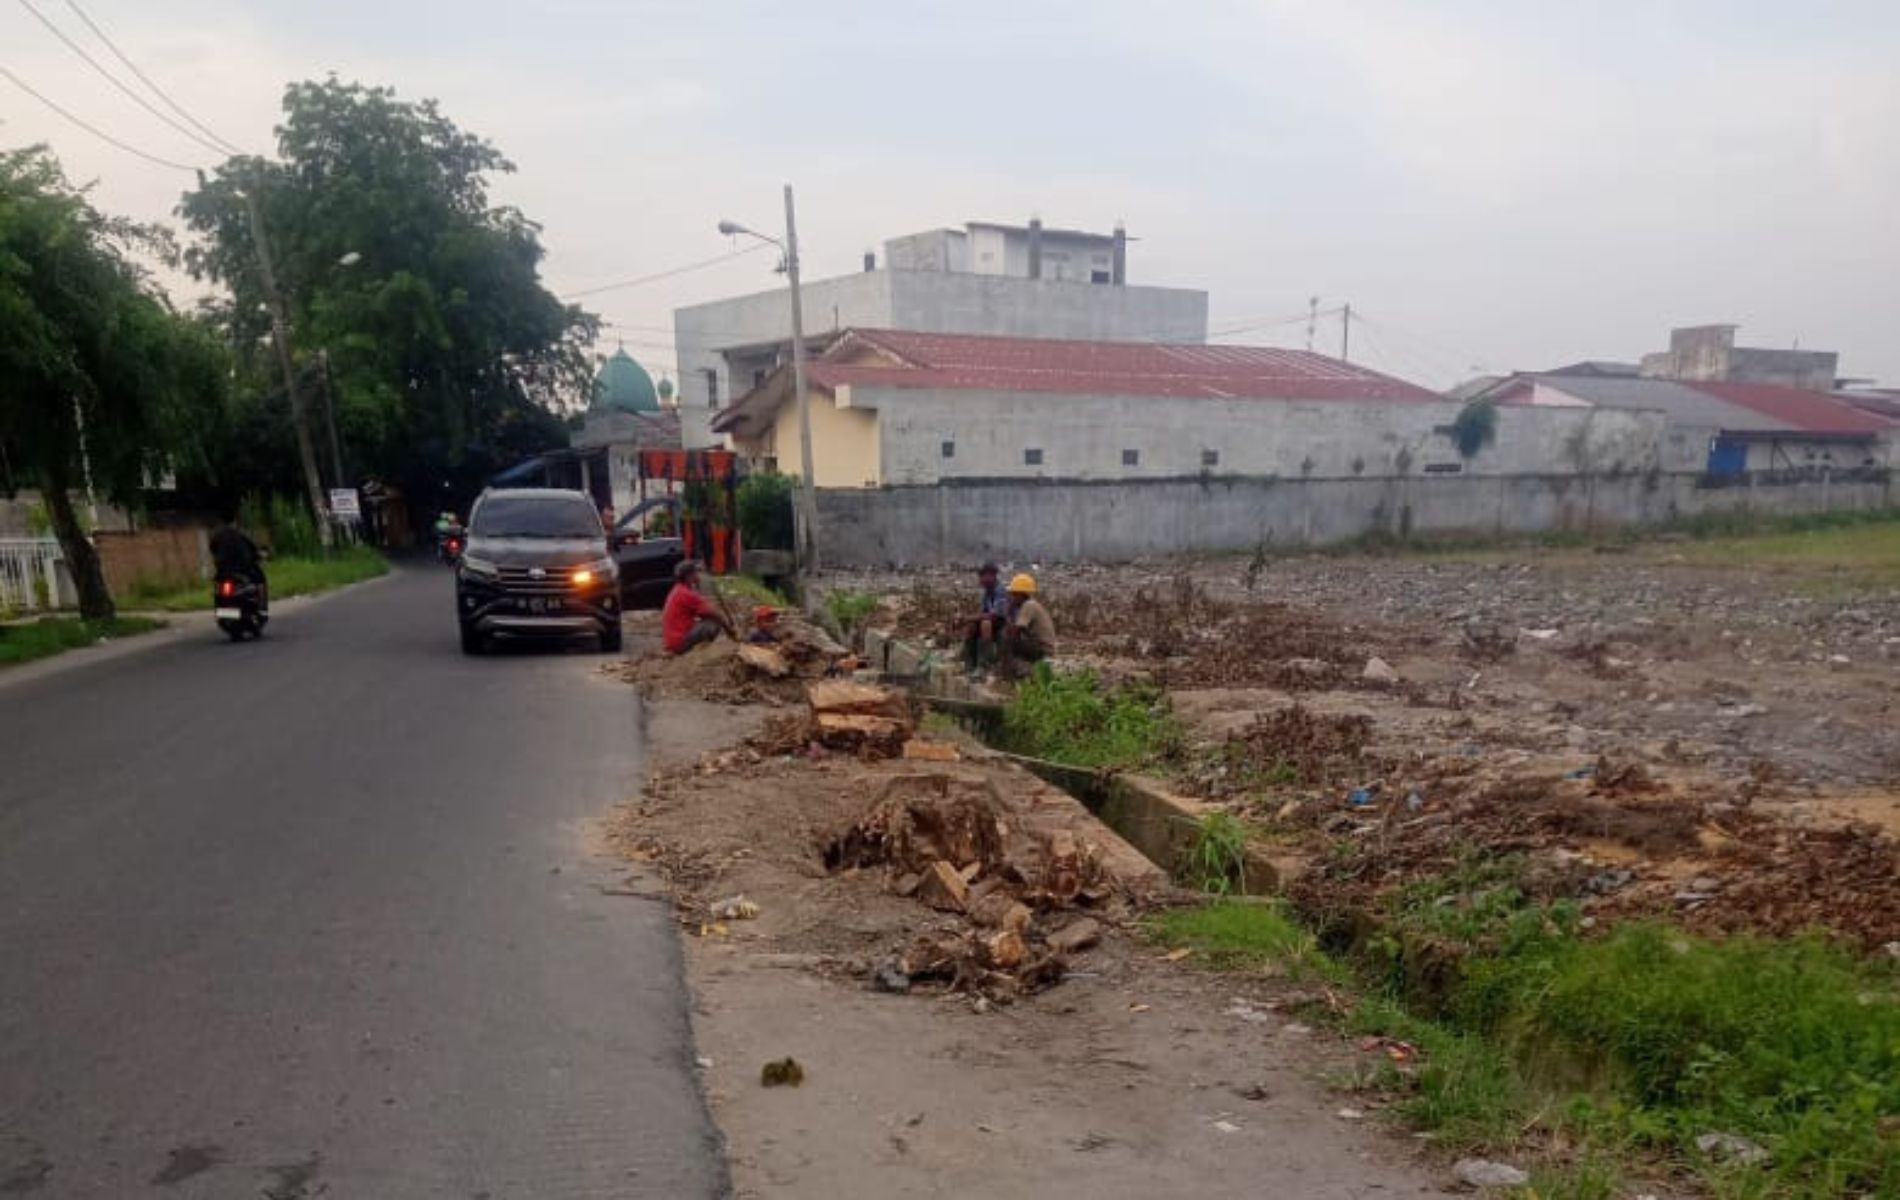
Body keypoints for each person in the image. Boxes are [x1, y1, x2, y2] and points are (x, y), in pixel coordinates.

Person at [661, 560, 733, 654]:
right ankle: (701, 652)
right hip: (679, 643)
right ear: (689, 576)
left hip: (671, 641)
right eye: (695, 573)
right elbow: (715, 614)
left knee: (706, 619)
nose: (697, 575)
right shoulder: (687, 594)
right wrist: (730, 631)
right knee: (714, 623)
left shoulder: (677, 590)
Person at [1000, 573, 1055, 678]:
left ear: (1021, 595)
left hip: (1042, 649)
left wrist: (1009, 610)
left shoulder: (1028, 606)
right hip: (1040, 646)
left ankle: (1008, 674)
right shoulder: (1030, 605)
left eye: (1014, 594)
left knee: (1007, 639)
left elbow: (1014, 631)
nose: (1012, 597)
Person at [961, 562, 1011, 672]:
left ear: (992, 576)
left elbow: (996, 615)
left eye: (983, 576)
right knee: (972, 626)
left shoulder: (1001, 591)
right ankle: (970, 663)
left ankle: (984, 665)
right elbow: (983, 611)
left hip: (1003, 623)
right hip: (992, 622)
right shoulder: (987, 593)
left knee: (985, 624)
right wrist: (971, 620)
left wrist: (971, 617)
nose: (981, 580)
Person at [209, 511, 268, 600]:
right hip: (241, 570)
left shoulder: (216, 536)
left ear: (221, 521)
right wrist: (260, 555)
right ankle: (261, 607)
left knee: (219, 588)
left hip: (222, 572)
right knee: (259, 581)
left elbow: (212, 548)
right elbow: (253, 549)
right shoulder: (240, 535)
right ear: (235, 521)